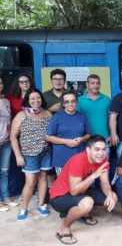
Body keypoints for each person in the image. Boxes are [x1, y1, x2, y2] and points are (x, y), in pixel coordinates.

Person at [49, 135, 117, 245]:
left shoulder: (102, 159)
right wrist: (94, 175)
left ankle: (81, 213)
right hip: (60, 197)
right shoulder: (78, 160)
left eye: (104, 149)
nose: (101, 153)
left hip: (81, 191)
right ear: (88, 149)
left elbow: (105, 182)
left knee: (113, 197)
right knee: (87, 203)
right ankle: (64, 228)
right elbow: (74, 191)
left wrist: (109, 195)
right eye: (97, 149)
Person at [10, 89, 52, 220]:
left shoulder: (47, 114)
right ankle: (24, 208)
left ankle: (41, 204)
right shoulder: (22, 115)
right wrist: (18, 155)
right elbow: (13, 136)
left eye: (38, 98)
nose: (36, 101)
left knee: (43, 177)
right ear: (28, 100)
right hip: (29, 154)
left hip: (46, 152)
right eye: (32, 99)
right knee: (30, 182)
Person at [45, 90, 91, 176]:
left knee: (78, 186)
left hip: (79, 157)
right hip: (61, 159)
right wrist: (66, 141)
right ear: (63, 104)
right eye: (67, 102)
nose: (70, 104)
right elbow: (48, 137)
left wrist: (82, 139)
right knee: (64, 187)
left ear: (77, 102)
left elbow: (88, 134)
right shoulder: (57, 116)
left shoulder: (82, 116)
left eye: (73, 101)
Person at [0, 75, 19, 212]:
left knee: (4, 171)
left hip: (6, 141)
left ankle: (5, 198)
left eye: (0, 83)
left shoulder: (6, 101)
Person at [77, 74, 110, 141]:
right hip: (86, 139)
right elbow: (76, 120)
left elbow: (111, 119)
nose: (95, 85)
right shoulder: (79, 100)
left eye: (97, 83)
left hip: (104, 138)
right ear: (87, 84)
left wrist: (112, 134)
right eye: (92, 83)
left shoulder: (106, 99)